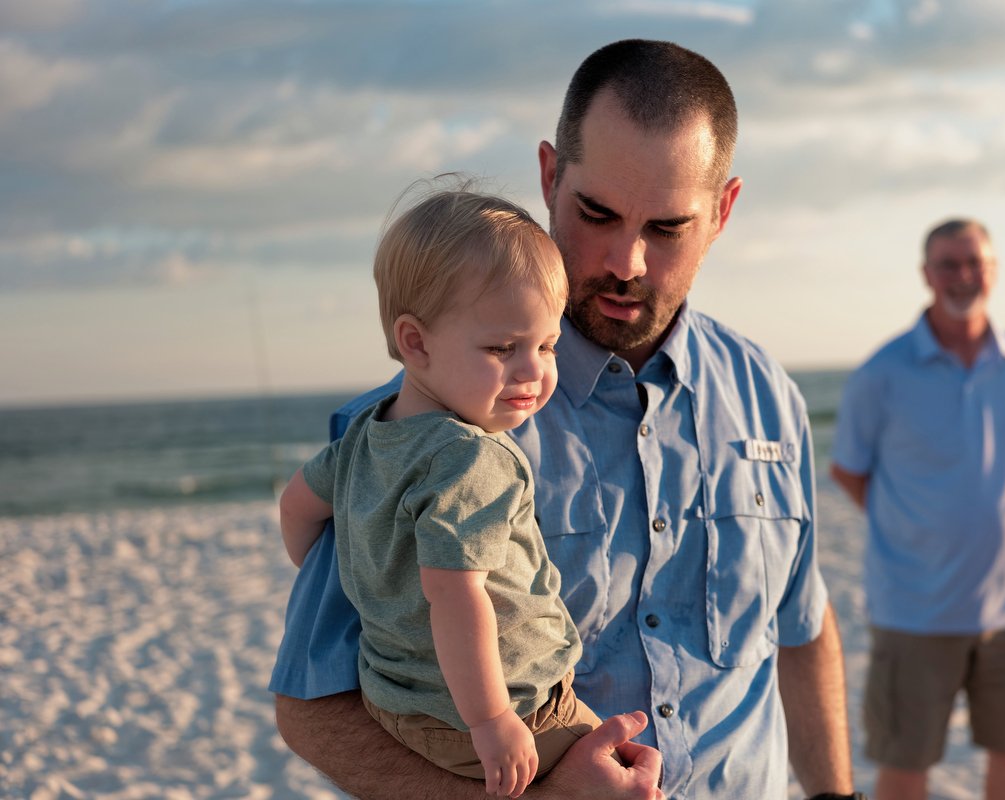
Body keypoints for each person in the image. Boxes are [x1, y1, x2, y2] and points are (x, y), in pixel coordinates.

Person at [271, 39, 862, 800]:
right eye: (597, 214)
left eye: (668, 227)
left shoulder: (768, 394)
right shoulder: (411, 431)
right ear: (550, 176)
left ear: (723, 212)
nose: (627, 261)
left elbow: (802, 631)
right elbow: (312, 709)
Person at [277, 188, 609, 798]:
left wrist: (368, 583)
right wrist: (491, 720)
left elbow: (296, 505)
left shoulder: (362, 436)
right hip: (506, 712)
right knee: (629, 772)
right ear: (416, 341)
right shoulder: (473, 457)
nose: (533, 371)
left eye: (546, 345)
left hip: (396, 705)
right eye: (501, 349)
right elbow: (456, 594)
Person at [830, 219, 1005, 800]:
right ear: (926, 275)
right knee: (905, 767)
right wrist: (922, 527)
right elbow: (848, 469)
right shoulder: (883, 370)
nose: (964, 275)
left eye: (975, 262)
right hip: (915, 612)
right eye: (949, 264)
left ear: (994, 269)